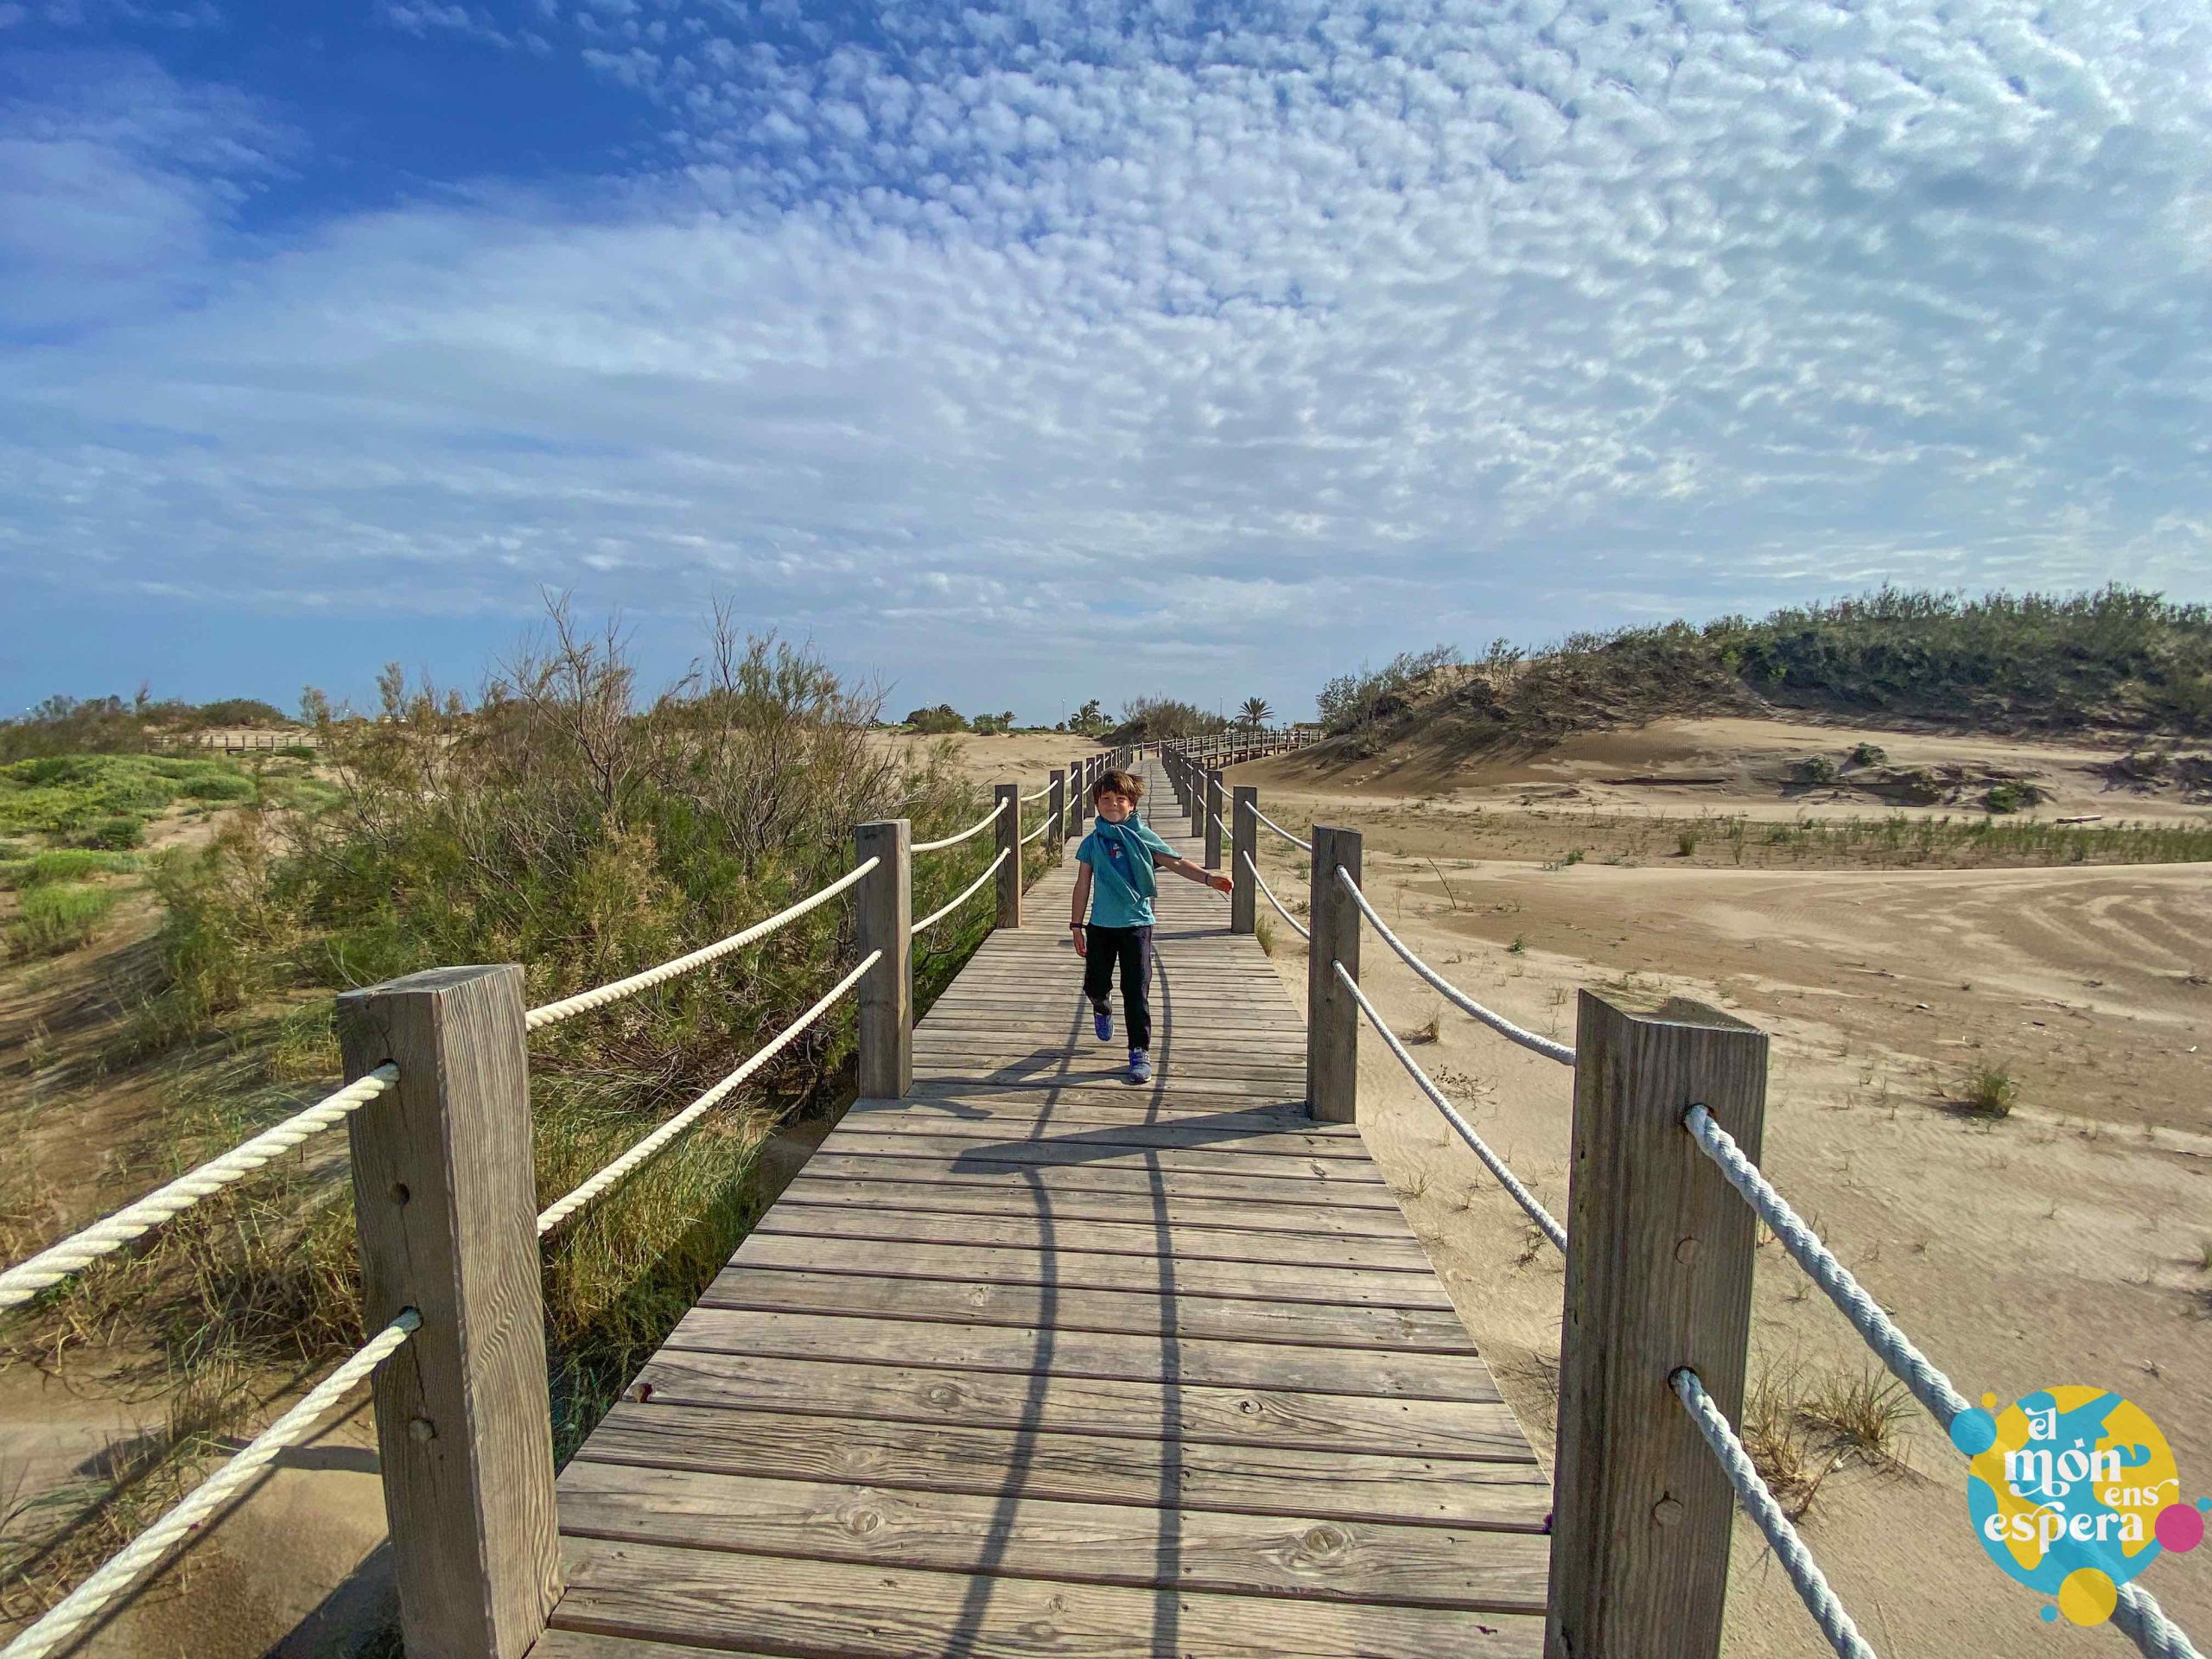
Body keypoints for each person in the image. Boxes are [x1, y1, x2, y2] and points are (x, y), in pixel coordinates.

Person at [1069, 766, 1232, 1084]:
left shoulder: (1145, 838)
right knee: (1094, 984)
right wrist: (1076, 925)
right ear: (1096, 804)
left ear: (1132, 804)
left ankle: (1138, 1051)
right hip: (1101, 925)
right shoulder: (1092, 842)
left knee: (1136, 989)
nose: (1112, 804)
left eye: (1120, 799)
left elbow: (1175, 862)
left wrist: (1209, 878)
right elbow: (1082, 884)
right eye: (1105, 799)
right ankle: (1102, 1008)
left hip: (1137, 925)